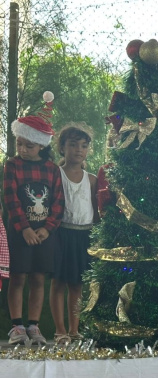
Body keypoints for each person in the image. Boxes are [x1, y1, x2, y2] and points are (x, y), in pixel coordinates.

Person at [4, 93, 64, 345]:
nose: (23, 149)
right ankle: (17, 326)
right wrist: (25, 229)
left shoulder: (52, 170)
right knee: (18, 277)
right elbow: (10, 199)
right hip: (19, 232)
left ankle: (34, 326)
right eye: (19, 144)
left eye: (29, 145)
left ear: (42, 145)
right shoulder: (12, 165)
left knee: (39, 278)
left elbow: (59, 203)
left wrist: (47, 229)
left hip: (43, 234)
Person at [49, 123, 97, 344]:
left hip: (83, 236)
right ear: (62, 147)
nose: (79, 149)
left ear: (88, 150)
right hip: (60, 234)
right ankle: (60, 331)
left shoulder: (92, 179)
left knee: (77, 285)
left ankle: (74, 330)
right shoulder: (54, 173)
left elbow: (96, 211)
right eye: (73, 144)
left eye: (84, 145)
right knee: (58, 283)